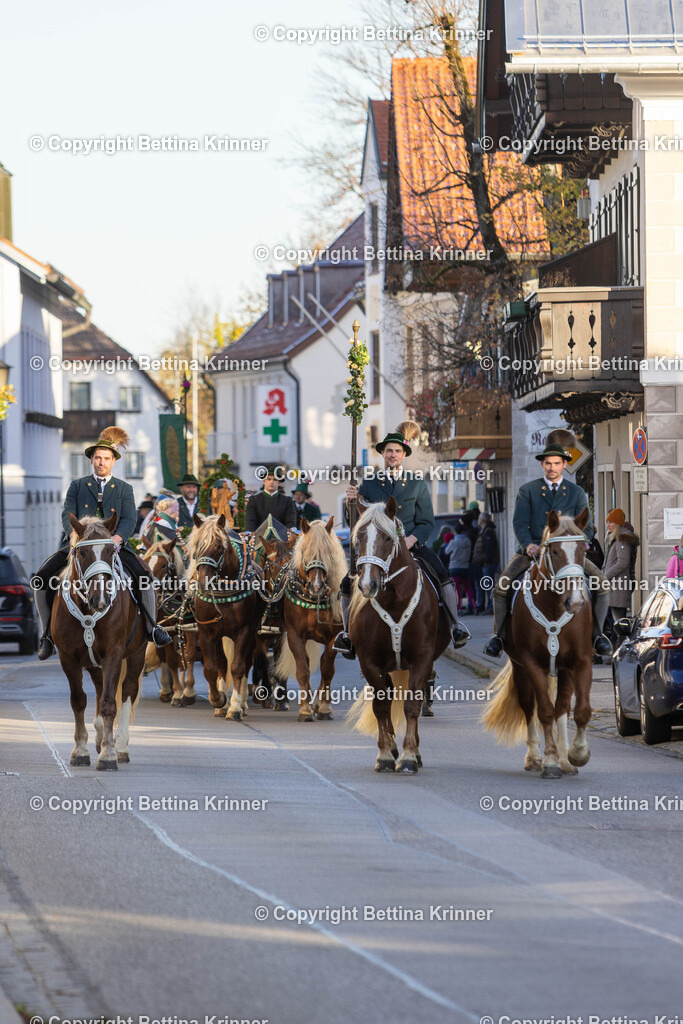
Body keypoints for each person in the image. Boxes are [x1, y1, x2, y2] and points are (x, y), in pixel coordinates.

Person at [32, 427, 172, 661]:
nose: (101, 462)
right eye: (97, 458)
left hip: (112, 546)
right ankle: (46, 635)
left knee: (145, 577)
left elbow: (128, 518)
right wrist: (74, 536)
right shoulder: (77, 486)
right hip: (78, 546)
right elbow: (67, 513)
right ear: (91, 460)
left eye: (106, 458)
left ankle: (152, 628)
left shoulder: (125, 489)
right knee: (41, 578)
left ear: (113, 461)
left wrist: (118, 538)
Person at [332, 420, 470, 658]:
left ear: (404, 454)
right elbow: (356, 521)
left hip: (410, 547)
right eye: (389, 451)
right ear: (383, 454)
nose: (393, 455)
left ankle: (456, 626)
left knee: (444, 576)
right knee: (347, 582)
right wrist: (351, 502)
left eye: (397, 451)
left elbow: (427, 521)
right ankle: (346, 634)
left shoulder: (417, 483)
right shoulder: (370, 483)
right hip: (378, 550)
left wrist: (411, 540)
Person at [483, 433, 612, 658]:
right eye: (548, 463)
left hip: (567, 555)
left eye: (556, 463)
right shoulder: (528, 490)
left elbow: (588, 527)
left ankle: (598, 635)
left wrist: (580, 543)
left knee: (601, 583)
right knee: (502, 586)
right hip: (533, 552)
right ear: (543, 465)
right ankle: (500, 636)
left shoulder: (576, 492)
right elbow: (519, 523)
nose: (552, 468)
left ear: (564, 464)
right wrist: (528, 545)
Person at [603, 508, 639, 641]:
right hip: (614, 586)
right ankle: (617, 653)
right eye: (607, 522)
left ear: (617, 523)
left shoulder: (621, 539)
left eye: (611, 522)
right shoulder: (616, 537)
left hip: (619, 586)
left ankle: (620, 654)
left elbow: (623, 562)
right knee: (616, 623)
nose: (608, 525)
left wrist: (605, 576)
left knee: (620, 625)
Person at [245, 467, 296, 533]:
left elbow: (290, 522)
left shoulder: (287, 501)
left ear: (279, 482)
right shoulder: (254, 500)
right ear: (264, 481)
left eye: (275, 479)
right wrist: (253, 536)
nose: (272, 482)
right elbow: (250, 522)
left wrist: (288, 533)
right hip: (259, 538)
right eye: (269, 479)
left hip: (282, 539)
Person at [445, 522, 475, 612]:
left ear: (455, 531)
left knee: (457, 589)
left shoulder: (453, 542)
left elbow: (446, 551)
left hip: (454, 567)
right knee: (468, 588)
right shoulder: (468, 541)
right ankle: (473, 606)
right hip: (465, 567)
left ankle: (459, 607)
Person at [475, 511, 499, 612]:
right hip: (486, 563)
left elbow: (490, 547)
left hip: (489, 563)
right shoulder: (484, 530)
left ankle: (491, 606)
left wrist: (486, 560)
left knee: (488, 585)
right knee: (487, 584)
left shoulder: (488, 531)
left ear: (483, 520)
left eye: (479, 518)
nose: (478, 519)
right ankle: (489, 606)